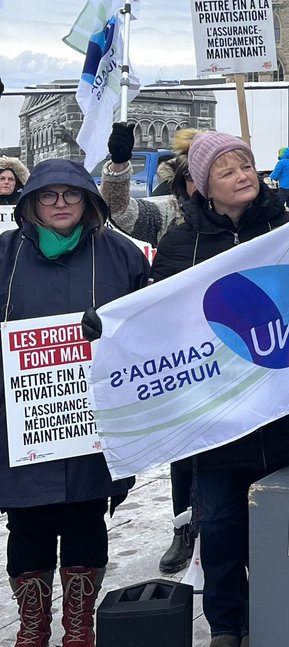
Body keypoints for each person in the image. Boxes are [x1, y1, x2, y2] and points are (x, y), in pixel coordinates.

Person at [151, 131, 289, 647]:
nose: (242, 175)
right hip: (220, 414)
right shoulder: (181, 243)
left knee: (288, 518)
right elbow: (158, 316)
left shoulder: (288, 226)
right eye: (227, 170)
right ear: (201, 186)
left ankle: (271, 617)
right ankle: (226, 625)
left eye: (246, 165)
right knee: (219, 523)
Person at [0, 159, 148, 647]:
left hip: (93, 419)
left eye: (71, 194)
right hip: (21, 420)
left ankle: (79, 627)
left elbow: (149, 324)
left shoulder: (119, 254)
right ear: (31, 202)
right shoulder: (4, 255)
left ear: (89, 201)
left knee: (85, 516)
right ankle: (33, 629)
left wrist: (111, 334)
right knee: (28, 521)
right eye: (48, 195)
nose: (60, 203)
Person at [99, 122, 200, 575]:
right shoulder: (171, 214)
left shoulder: (259, 213)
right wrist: (120, 165)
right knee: (187, 445)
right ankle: (185, 525)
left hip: (244, 343)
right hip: (185, 346)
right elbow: (118, 213)